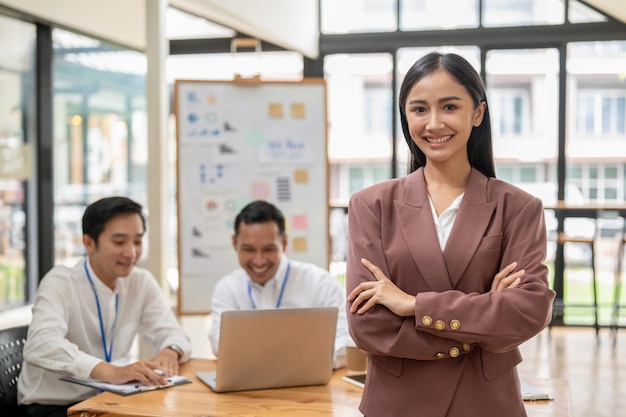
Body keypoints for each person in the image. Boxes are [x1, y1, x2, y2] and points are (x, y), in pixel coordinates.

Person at [345, 52, 555, 417]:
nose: (434, 123)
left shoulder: (518, 207)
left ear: (477, 113)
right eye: (419, 109)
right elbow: (368, 324)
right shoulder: (371, 205)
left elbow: (528, 311)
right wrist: (483, 316)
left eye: (449, 106)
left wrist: (414, 305)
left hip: (485, 402)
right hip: (397, 404)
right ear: (405, 116)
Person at [18, 196, 192, 417]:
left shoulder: (140, 281)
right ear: (89, 243)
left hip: (109, 401)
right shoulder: (61, 281)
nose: (131, 253)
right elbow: (41, 344)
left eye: (137, 241)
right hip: (54, 408)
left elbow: (174, 334)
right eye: (119, 242)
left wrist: (171, 350)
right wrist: (108, 371)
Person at [208, 200, 348, 369]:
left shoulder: (321, 284)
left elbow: (344, 343)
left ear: (284, 243)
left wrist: (290, 363)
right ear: (234, 243)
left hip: (307, 384)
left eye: (268, 249)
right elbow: (219, 343)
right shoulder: (227, 288)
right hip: (247, 386)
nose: (259, 261)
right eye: (249, 249)